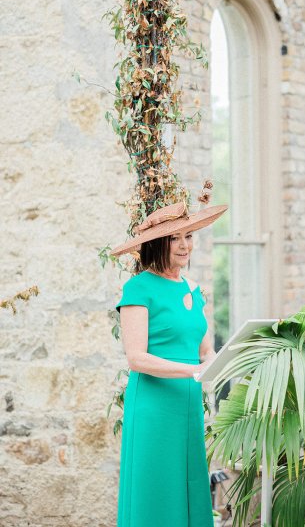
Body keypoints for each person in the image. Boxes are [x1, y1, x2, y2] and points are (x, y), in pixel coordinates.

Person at [111, 199, 228, 527]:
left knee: (188, 482)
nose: (184, 245)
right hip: (154, 406)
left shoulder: (194, 289)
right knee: (157, 486)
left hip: (187, 404)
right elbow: (136, 358)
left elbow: (204, 349)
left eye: (189, 236)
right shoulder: (138, 288)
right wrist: (192, 371)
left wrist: (219, 361)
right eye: (175, 238)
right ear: (157, 244)